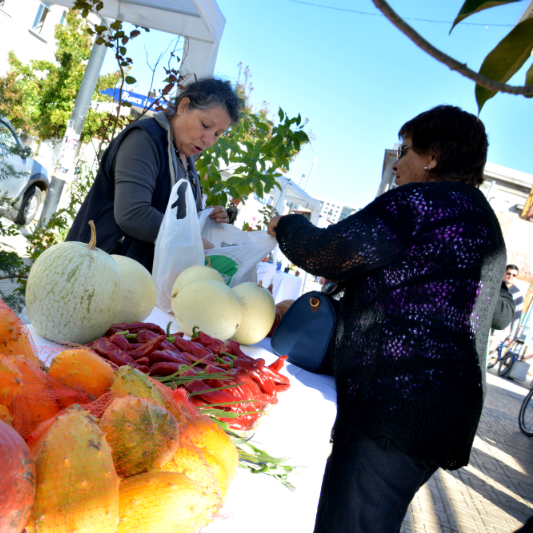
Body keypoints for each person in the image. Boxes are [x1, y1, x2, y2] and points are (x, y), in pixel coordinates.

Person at [267, 105, 507, 533]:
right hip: (443, 410)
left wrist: (285, 225)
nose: (397, 162)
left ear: (432, 156)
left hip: (398, 406)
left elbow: (326, 253)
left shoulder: (418, 202)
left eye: (406, 149)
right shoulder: (483, 221)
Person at [65, 77, 241, 271]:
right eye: (205, 125)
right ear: (183, 106)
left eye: (217, 134)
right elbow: (133, 213)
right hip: (100, 272)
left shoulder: (186, 157)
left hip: (135, 280)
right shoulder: (144, 139)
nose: (208, 139)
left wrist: (205, 217)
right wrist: (194, 241)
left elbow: (173, 215)